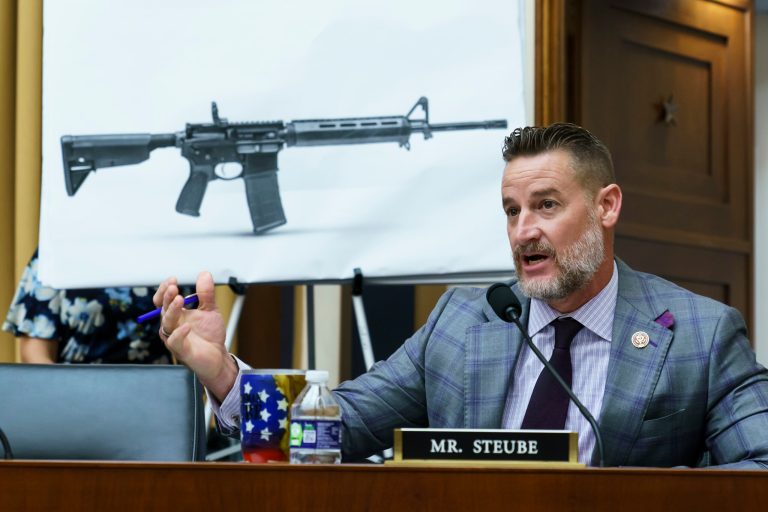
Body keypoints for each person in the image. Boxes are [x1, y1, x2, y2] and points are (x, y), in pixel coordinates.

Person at [153, 123, 768, 468]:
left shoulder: (700, 334)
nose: (523, 230)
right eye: (511, 210)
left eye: (546, 206)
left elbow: (757, 476)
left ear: (607, 206)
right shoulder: (463, 321)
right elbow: (335, 426)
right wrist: (228, 378)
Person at [3, 249, 175, 364]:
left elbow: (192, 334)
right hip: (74, 399)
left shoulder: (168, 250)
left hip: (155, 395)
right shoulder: (57, 249)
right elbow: (34, 352)